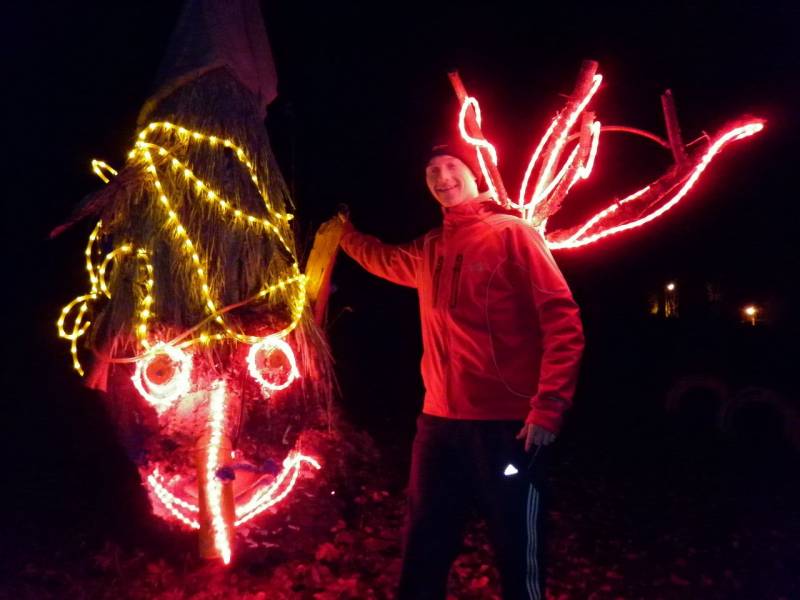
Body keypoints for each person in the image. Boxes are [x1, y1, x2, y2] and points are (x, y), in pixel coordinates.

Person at [333, 137, 584, 599]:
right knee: (424, 542)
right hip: (438, 424)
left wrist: (548, 407)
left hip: (507, 427)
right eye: (433, 171)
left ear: (475, 174)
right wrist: (342, 235)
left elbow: (562, 320)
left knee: (516, 544)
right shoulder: (431, 246)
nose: (443, 178)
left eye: (452, 167)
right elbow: (384, 258)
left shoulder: (513, 234)